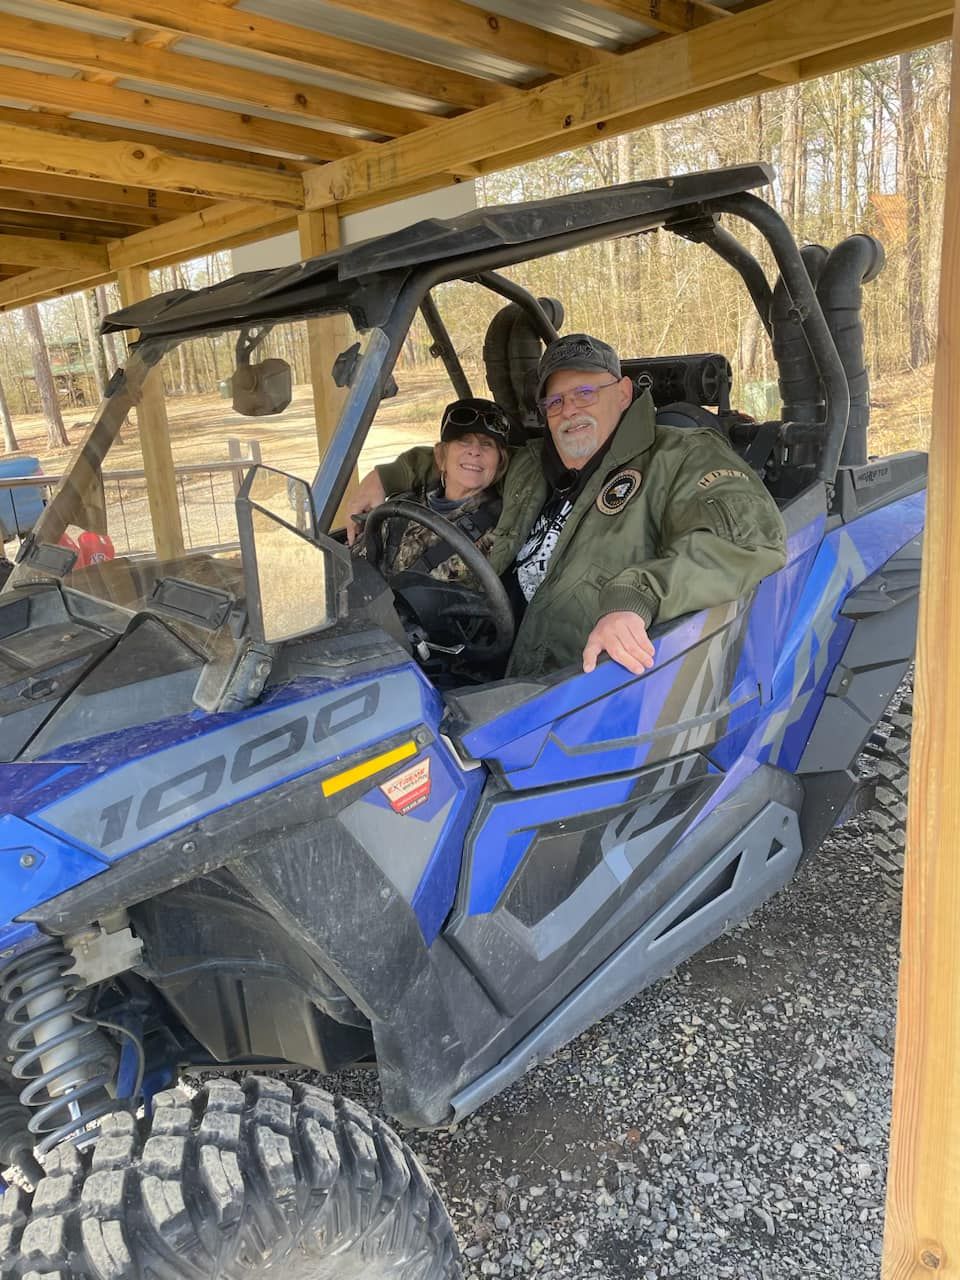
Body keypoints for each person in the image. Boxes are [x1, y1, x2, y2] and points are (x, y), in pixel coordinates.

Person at [347, 333, 787, 678]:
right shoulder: (540, 464)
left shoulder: (681, 456)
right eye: (555, 402)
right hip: (490, 662)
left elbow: (748, 541)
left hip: (575, 690)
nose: (568, 410)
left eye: (585, 394)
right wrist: (385, 477)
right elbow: (464, 461)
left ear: (624, 393)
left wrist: (636, 597)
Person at [354, 396, 509, 588]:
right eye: (463, 441)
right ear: (441, 455)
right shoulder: (400, 509)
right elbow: (352, 569)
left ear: (499, 463)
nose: (475, 451)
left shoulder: (500, 531)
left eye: (487, 444)